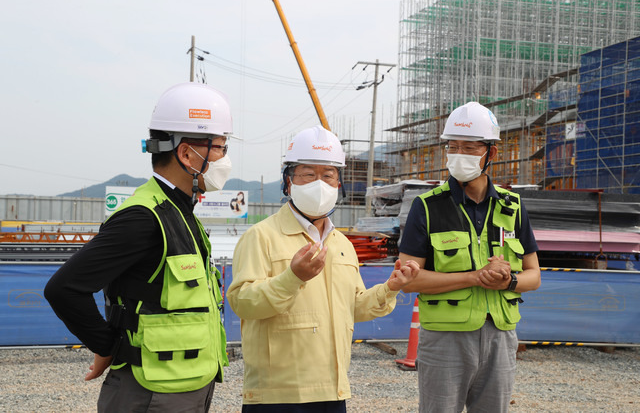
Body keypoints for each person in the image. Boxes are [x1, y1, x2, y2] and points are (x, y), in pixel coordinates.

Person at [44, 82, 233, 412]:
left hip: (183, 384)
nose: (224, 159)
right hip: (151, 393)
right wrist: (108, 346)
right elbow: (64, 288)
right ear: (187, 153)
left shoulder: (180, 212)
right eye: (219, 147)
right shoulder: (144, 218)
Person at [227, 125, 420, 412]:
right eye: (308, 174)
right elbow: (242, 302)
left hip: (332, 389)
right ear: (288, 182)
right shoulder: (261, 236)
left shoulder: (342, 243)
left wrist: (390, 288)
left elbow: (353, 307)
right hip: (278, 394)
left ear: (338, 184)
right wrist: (292, 278)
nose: (319, 183)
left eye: (328, 175)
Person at [398, 101, 541, 413]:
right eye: (453, 146)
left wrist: (509, 280)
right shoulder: (427, 207)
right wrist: (474, 278)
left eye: (470, 147)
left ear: (492, 152)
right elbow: (408, 281)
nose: (459, 154)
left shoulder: (512, 206)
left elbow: (534, 276)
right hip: (445, 337)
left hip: (501, 337)